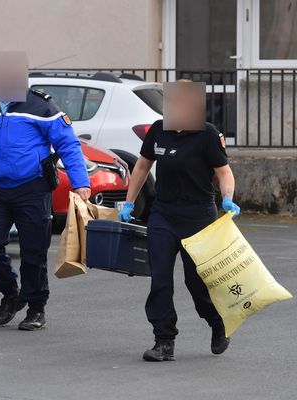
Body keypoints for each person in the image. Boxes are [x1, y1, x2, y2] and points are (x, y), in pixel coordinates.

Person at [0, 89, 90, 331]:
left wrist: (81, 181)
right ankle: (11, 293)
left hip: (33, 188)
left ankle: (36, 308)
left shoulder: (41, 106)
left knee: (33, 253)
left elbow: (68, 144)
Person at [119, 82, 240, 361]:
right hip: (163, 213)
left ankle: (217, 321)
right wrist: (128, 202)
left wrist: (227, 198)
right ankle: (164, 340)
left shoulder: (207, 134)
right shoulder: (158, 130)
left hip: (198, 215)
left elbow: (224, 173)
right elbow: (142, 165)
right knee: (160, 279)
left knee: (196, 282)